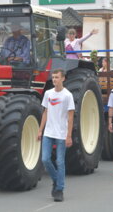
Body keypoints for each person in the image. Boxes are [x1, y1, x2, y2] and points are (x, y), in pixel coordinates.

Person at [38, 69, 75, 202]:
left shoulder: (67, 96)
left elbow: (70, 117)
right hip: (48, 132)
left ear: (63, 79)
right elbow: (45, 113)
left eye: (57, 77)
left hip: (61, 133)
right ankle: (56, 179)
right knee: (45, 159)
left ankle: (59, 189)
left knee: (60, 161)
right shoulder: (48, 93)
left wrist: (69, 135)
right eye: (53, 77)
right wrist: (40, 130)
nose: (54, 80)